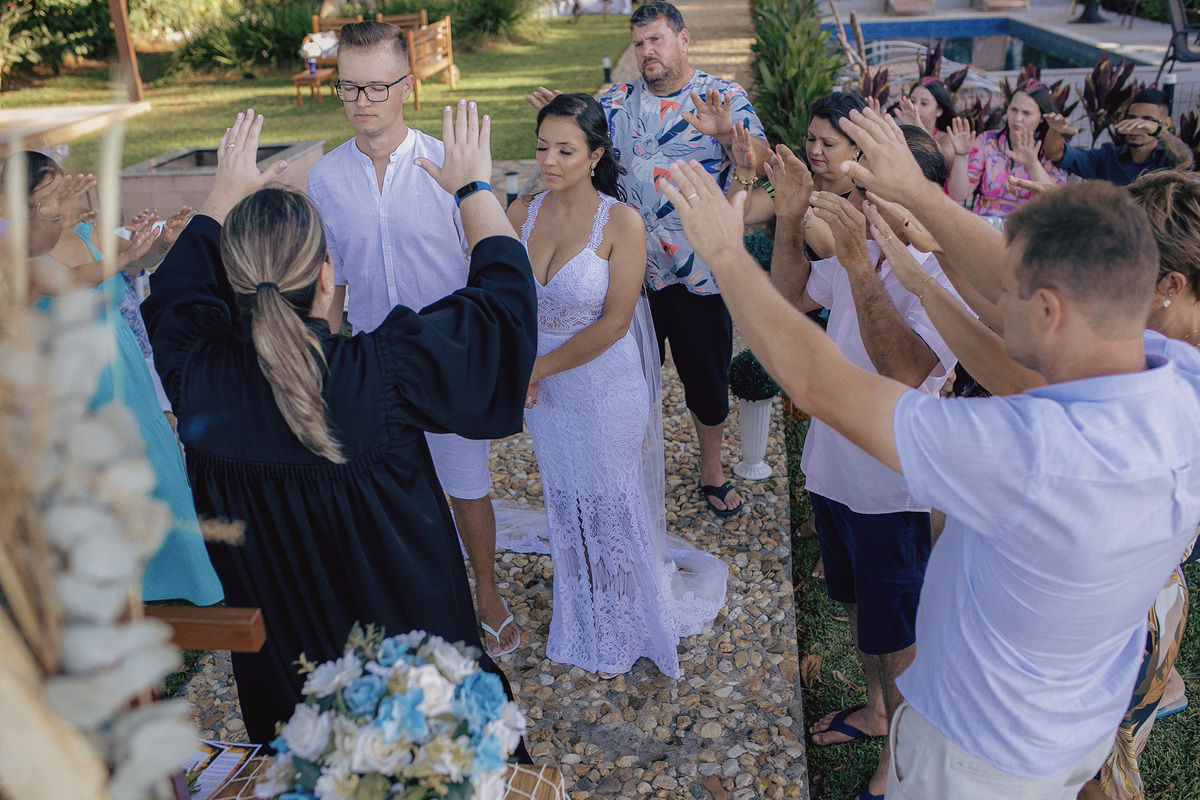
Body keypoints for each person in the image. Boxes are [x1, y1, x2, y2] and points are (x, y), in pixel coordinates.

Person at [661, 108, 1200, 800]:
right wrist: (919, 197)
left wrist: (727, 253)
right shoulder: (1173, 380)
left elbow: (819, 383)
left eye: (1007, 292)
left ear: (1049, 311)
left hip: (979, 756)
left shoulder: (1026, 454)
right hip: (1078, 725)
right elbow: (1006, 301)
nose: (989, 296)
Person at [142, 104, 537, 744]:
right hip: (417, 701)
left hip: (293, 703)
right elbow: (504, 308)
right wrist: (473, 188)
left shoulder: (196, 373)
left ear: (232, 284)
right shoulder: (383, 373)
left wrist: (224, 194)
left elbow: (177, 288)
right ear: (329, 279)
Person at [305, 20, 519, 658]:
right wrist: (327, 359)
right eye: (349, 88)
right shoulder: (325, 178)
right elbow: (333, 278)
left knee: (466, 484)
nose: (362, 103)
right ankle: (413, 592)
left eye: (376, 88)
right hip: (369, 361)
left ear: (407, 86)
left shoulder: (448, 168)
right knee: (385, 487)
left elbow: (491, 266)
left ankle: (485, 590)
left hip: (446, 358)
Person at [766, 125, 964, 800]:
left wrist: (857, 262)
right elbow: (789, 297)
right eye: (858, 190)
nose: (856, 203)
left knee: (901, 635)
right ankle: (880, 714)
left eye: (870, 191)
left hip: (896, 492)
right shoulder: (866, 253)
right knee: (859, 612)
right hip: (835, 471)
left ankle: (903, 765)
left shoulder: (940, 276)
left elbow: (905, 371)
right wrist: (790, 218)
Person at [506, 93, 727, 679]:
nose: (549, 160)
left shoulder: (620, 221)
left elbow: (614, 322)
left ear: (595, 154)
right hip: (547, 395)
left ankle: (629, 617)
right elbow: (508, 304)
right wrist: (522, 365)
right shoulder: (520, 212)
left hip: (603, 386)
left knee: (610, 496)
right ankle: (583, 605)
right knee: (566, 494)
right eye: (541, 147)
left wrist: (535, 371)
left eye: (565, 150)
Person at [527, 0, 771, 517]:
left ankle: (711, 467)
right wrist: (562, 122)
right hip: (626, 272)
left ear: (683, 40)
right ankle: (630, 466)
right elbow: (583, 148)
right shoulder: (613, 100)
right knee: (629, 377)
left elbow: (760, 165)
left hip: (696, 271)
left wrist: (726, 135)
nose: (646, 51)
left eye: (656, 40)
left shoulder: (724, 97)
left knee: (705, 379)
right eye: (639, 43)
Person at [5, 152, 223, 607]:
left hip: (124, 373)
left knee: (160, 476)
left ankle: (190, 586)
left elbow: (140, 259)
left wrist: (167, 239)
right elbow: (67, 280)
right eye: (49, 199)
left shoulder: (87, 233)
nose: (62, 207)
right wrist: (123, 254)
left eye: (65, 193)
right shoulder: (15, 259)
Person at [735, 93, 867, 263]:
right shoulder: (798, 180)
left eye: (828, 144)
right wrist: (745, 169)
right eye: (811, 138)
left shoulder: (864, 197)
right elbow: (742, 213)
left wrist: (797, 200)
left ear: (856, 147)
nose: (814, 150)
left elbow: (832, 250)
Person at [947, 81, 1069, 222]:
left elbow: (1057, 203)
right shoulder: (988, 141)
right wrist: (961, 155)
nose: (1017, 118)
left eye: (1026, 113)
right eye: (1014, 110)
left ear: (1042, 117)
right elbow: (958, 194)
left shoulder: (1052, 149)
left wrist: (1034, 164)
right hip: (984, 228)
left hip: (1027, 230)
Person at [1043, 88, 1194, 186]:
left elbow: (1186, 161)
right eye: (1132, 118)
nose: (1137, 126)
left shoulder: (1168, 159)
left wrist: (1157, 130)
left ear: (1166, 124)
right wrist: (1055, 130)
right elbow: (1056, 154)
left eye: (1146, 120)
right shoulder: (1107, 157)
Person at [891, 77, 973, 177]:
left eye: (924, 103)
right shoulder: (899, 133)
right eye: (912, 101)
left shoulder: (948, 139)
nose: (915, 107)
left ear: (939, 110)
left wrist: (919, 128)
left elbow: (942, 163)